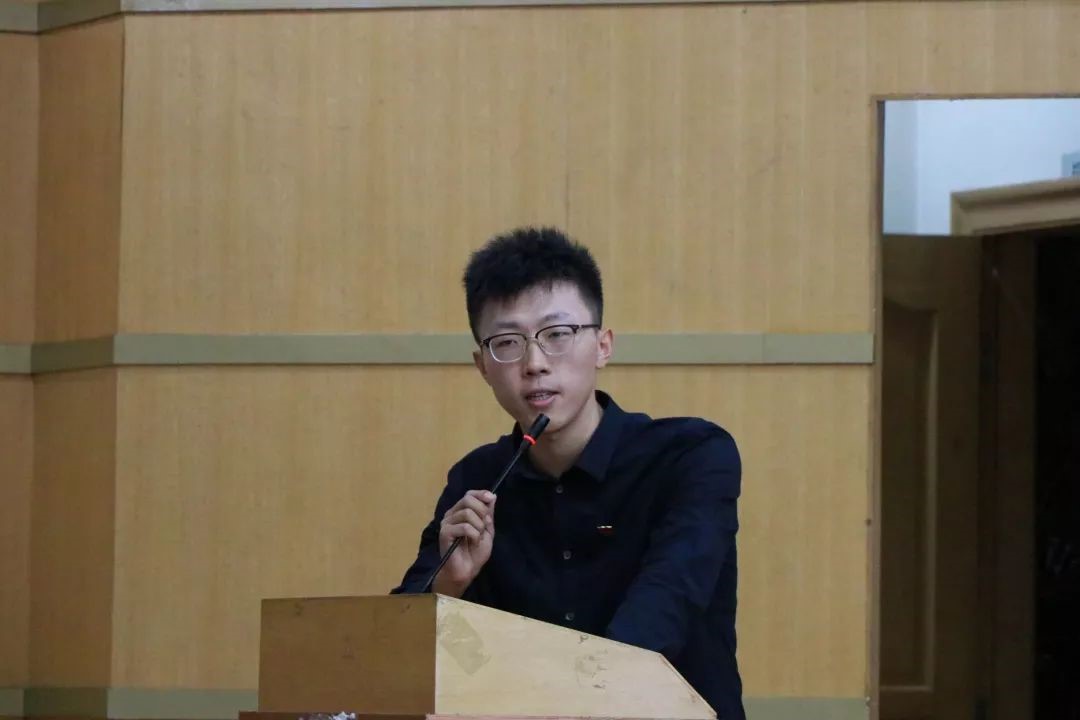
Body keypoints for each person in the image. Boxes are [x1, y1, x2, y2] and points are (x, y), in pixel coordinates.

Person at [392, 226, 744, 719]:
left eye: (557, 335)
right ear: (482, 366)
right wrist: (449, 587)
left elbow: (665, 609)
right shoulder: (478, 480)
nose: (535, 363)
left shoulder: (691, 456)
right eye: (507, 343)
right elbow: (399, 648)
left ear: (603, 345)